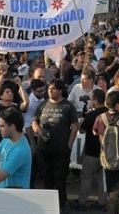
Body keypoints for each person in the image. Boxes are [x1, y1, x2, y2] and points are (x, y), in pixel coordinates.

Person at [31, 79, 79, 209]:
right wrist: (39, 131)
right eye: (49, 89)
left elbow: (75, 126)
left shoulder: (68, 106)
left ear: (60, 90)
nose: (50, 91)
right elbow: (34, 122)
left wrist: (69, 145)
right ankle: (47, 205)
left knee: (60, 179)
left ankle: (61, 206)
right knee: (47, 178)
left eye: (53, 89)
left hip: (61, 149)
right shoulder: (42, 104)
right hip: (44, 149)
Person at [75, 88, 108, 211]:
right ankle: (102, 202)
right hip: (106, 152)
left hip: (92, 152)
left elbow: (82, 130)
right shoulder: (109, 113)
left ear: (95, 100)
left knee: (86, 177)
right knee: (101, 178)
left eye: (91, 99)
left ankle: (82, 202)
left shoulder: (92, 115)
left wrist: (84, 119)